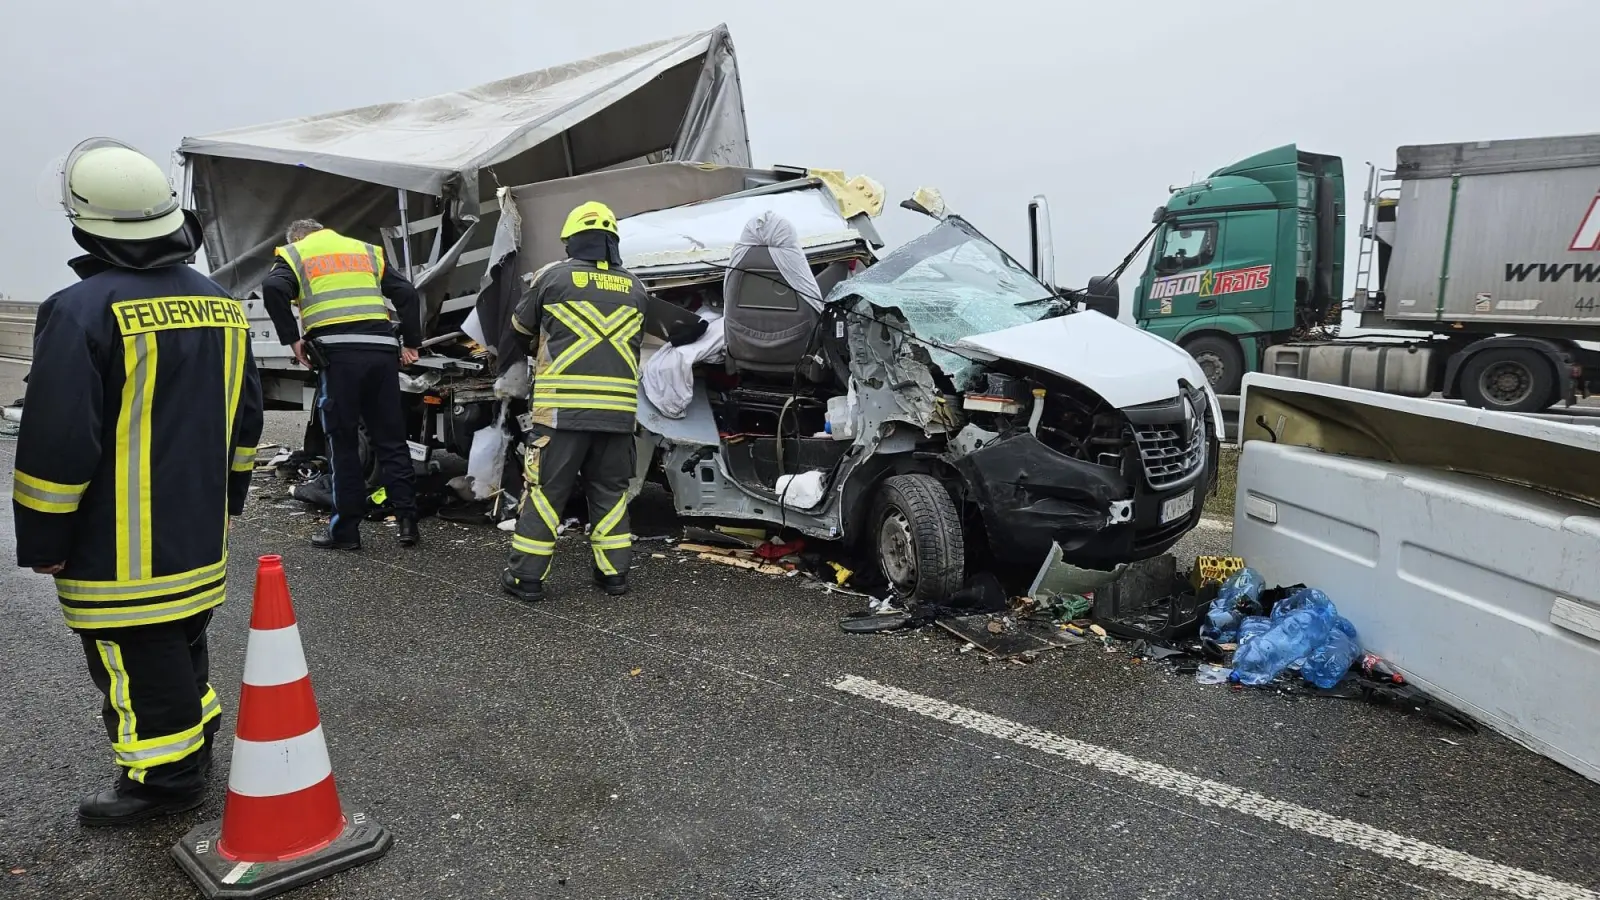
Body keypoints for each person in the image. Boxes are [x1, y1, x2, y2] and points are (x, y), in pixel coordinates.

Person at [13, 138, 264, 824]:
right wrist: (232, 501)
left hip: (116, 548)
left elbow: (59, 441)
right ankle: (192, 743)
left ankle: (165, 783)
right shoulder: (221, 304)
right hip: (197, 534)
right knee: (182, 637)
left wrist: (43, 537)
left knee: (132, 658)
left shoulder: (79, 309)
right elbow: (247, 421)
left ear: (84, 221)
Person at [502, 201, 648, 602]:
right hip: (618, 417)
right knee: (611, 494)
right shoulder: (636, 287)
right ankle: (614, 575)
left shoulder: (553, 278)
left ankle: (526, 578)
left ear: (571, 241)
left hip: (561, 415)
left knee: (546, 494)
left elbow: (518, 329)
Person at [261, 219, 423, 549]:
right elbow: (406, 292)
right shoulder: (365, 251)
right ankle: (407, 524)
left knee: (344, 444)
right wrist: (411, 342)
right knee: (391, 440)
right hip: (381, 352)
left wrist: (292, 340)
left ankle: (346, 531)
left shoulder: (295, 253)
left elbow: (273, 288)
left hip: (338, 357)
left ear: (297, 237)